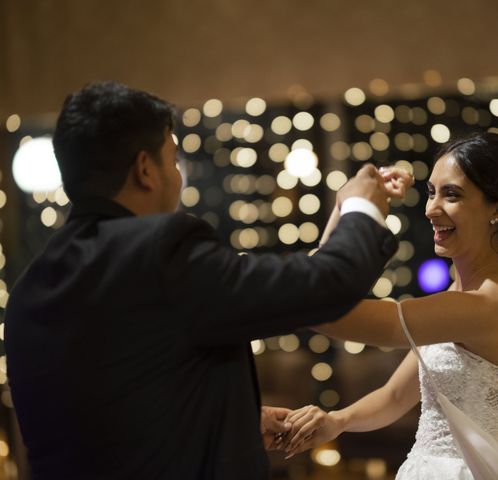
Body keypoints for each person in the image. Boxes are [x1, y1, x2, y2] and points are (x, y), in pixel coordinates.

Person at [4, 81, 413, 479]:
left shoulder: (32, 285)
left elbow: (106, 403)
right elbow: (328, 285)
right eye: (173, 158)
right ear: (146, 169)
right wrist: (364, 205)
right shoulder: (161, 250)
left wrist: (231, 420)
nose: (178, 176)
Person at [279, 132, 498, 479]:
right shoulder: (463, 298)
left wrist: (354, 206)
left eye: (452, 194)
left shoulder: (487, 305)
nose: (431, 209)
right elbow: (394, 396)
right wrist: (336, 421)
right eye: (432, 192)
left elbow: (330, 312)